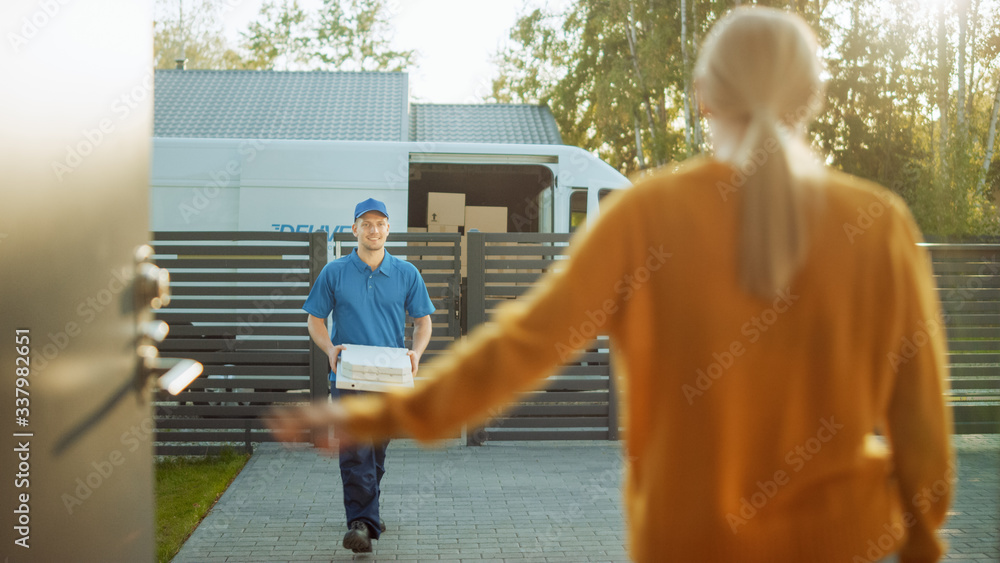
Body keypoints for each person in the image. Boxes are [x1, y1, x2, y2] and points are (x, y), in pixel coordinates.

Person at [271, 8, 953, 562]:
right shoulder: (880, 225)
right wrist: (921, 540)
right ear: (815, 97)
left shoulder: (649, 216)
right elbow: (923, 435)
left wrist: (374, 413)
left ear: (704, 98)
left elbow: (516, 351)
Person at [300, 197, 434, 553]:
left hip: (390, 381)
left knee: (375, 451)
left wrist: (416, 354)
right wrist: (330, 349)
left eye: (380, 224)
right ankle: (360, 525)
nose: (373, 230)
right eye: (366, 224)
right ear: (354, 228)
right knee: (355, 448)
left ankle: (368, 511)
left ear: (388, 229)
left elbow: (424, 322)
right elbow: (315, 319)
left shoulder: (406, 273)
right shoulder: (334, 272)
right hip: (348, 378)